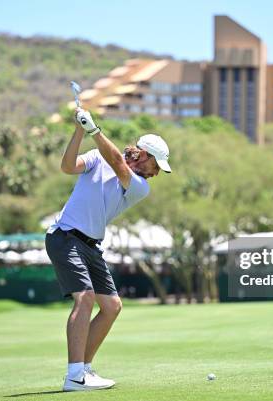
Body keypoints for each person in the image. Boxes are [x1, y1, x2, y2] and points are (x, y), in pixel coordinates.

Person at [45, 107, 171, 391]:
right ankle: (74, 375)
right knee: (85, 299)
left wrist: (93, 129)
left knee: (112, 306)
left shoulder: (140, 186)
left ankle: (84, 369)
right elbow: (67, 167)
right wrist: (80, 130)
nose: (156, 174)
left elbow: (116, 161)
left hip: (90, 245)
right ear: (144, 156)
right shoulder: (96, 158)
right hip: (64, 236)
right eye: (156, 166)